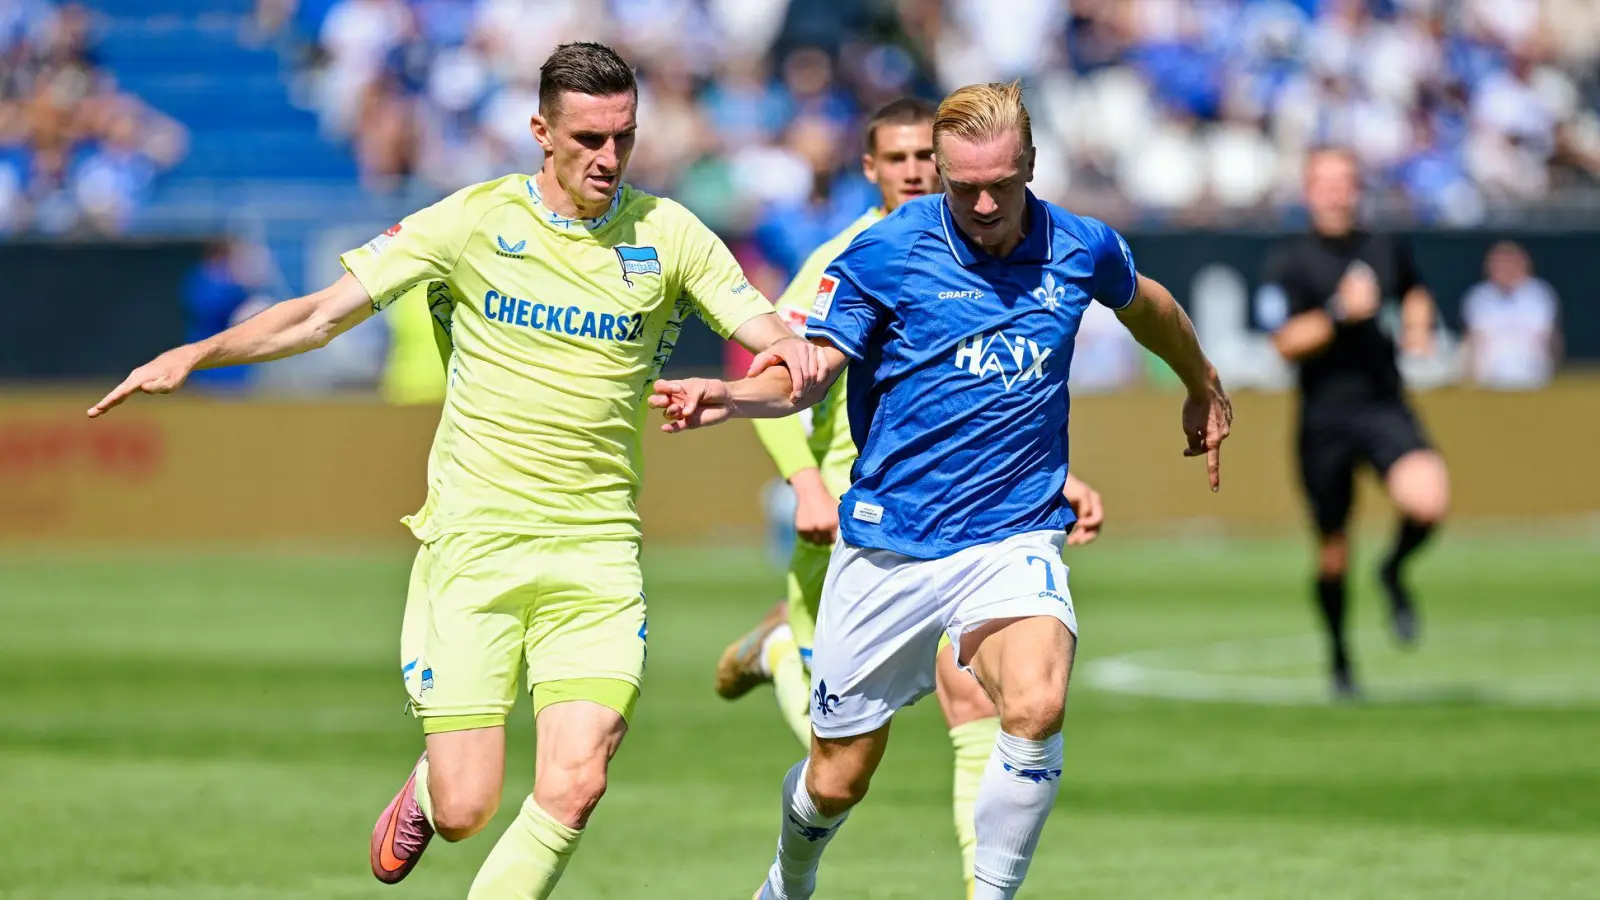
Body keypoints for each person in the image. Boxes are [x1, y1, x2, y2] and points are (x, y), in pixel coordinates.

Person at [86, 41, 823, 900]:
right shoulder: (473, 221)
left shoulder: (668, 233)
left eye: (622, 136)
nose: (608, 157)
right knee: (469, 807)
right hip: (475, 548)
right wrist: (197, 353)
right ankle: (434, 783)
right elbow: (322, 315)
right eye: (587, 137)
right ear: (540, 131)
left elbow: (773, 341)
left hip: (598, 553)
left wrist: (780, 366)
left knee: (577, 781)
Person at [649, 81, 1231, 900]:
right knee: (837, 779)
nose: (985, 202)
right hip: (890, 547)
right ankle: (789, 880)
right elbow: (811, 369)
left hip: (1011, 537)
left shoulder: (1080, 245)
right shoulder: (884, 253)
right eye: (964, 187)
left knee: (1034, 702)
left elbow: (1151, 307)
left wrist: (1200, 382)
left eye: (1003, 183)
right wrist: (736, 394)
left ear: (1032, 163)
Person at [711, 95, 1106, 899]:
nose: (917, 174)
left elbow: (999, 388)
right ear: (872, 170)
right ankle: (782, 651)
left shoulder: (1007, 246)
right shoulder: (850, 256)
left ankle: (981, 887)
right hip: (864, 524)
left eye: (925, 160)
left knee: (991, 708)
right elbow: (794, 375)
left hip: (986, 530)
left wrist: (1053, 475)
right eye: (897, 162)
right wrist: (805, 479)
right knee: (840, 774)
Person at [1261, 146, 1451, 699]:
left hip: (1383, 404)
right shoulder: (1290, 261)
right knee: (1333, 551)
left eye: (1345, 180)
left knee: (1428, 500)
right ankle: (1341, 660)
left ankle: (1392, 569)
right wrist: (1342, 312)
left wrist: (1418, 326)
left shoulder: (1384, 247)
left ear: (1357, 187)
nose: (1336, 191)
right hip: (1324, 419)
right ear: (1308, 189)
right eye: (1325, 181)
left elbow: (1415, 291)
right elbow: (1284, 342)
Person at [1460, 240, 1562, 391]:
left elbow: (1550, 338)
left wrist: (1552, 373)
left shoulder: (1539, 294)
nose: (1504, 268)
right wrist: (1469, 376)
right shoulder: (1478, 296)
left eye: (1509, 262)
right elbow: (1472, 339)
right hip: (1489, 381)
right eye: (1499, 262)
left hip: (1532, 378)